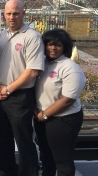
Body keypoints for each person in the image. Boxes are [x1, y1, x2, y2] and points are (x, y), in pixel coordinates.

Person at [0, 0, 44, 176]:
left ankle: (29, 173)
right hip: (0, 95)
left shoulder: (32, 37)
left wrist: (8, 89)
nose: (12, 17)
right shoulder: (2, 36)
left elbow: (32, 71)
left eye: (16, 13)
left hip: (20, 96)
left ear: (23, 14)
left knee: (24, 140)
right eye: (9, 13)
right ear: (4, 14)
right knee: (2, 137)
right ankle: (8, 171)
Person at [34, 29, 86, 176]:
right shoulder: (42, 63)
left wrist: (43, 115)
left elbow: (67, 99)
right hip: (42, 117)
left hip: (63, 120)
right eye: (49, 44)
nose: (53, 48)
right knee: (46, 158)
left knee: (62, 161)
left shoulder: (70, 68)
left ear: (64, 47)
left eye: (57, 45)